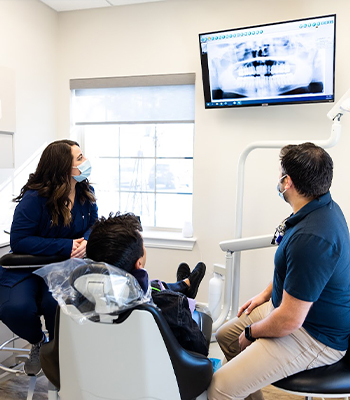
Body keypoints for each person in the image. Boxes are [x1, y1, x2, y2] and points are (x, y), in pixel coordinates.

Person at [208, 142, 350, 400]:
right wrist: (265, 294)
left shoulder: (312, 237)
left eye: (281, 174)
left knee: (219, 386)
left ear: (288, 182)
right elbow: (297, 272)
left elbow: (289, 321)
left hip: (314, 335)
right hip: (295, 311)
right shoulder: (319, 208)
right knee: (226, 335)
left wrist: (252, 332)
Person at [0, 139, 98, 376]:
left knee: (56, 306)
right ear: (63, 167)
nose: (85, 162)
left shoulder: (85, 192)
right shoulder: (35, 198)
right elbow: (19, 240)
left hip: (64, 268)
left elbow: (94, 224)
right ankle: (38, 341)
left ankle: (58, 354)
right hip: (28, 268)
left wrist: (85, 241)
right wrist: (66, 245)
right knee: (14, 308)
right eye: (80, 158)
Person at [86, 212, 208, 356]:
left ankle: (184, 285)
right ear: (139, 264)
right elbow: (200, 350)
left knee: (154, 286)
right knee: (158, 289)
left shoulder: (77, 303)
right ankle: (184, 286)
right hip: (163, 375)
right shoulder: (171, 305)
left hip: (97, 374)